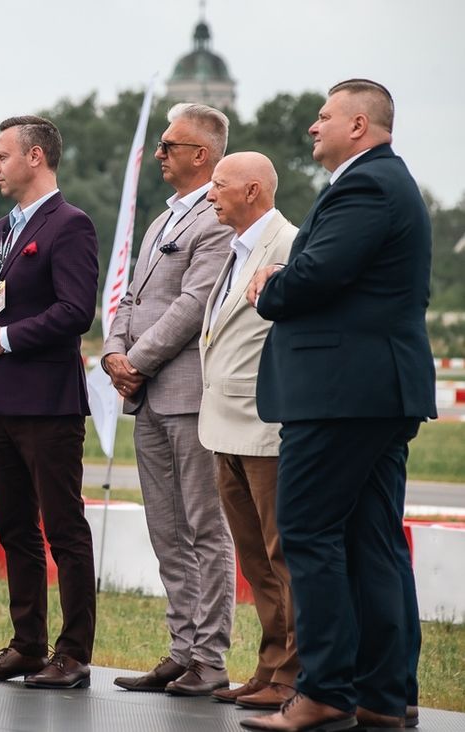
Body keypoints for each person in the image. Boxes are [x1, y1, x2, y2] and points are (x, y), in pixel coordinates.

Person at [241, 79, 435, 732]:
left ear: (359, 124)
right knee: (371, 539)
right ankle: (383, 694)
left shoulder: (365, 184)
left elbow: (319, 273)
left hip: (343, 395)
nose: (311, 127)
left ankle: (324, 690)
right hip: (372, 391)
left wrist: (271, 284)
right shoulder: (386, 182)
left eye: (323, 117)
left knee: (308, 531)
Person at [0, 116, 99, 689]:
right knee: (14, 527)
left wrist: (6, 338)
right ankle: (27, 643)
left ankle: (73, 653)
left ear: (35, 157)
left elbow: (76, 311)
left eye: (0, 156)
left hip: (47, 401)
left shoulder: (71, 225)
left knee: (64, 530)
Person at [101, 102, 234, 696]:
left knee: (205, 528)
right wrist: (111, 352)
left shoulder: (218, 216)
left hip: (185, 393)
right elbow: (129, 296)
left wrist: (136, 360)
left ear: (201, 154)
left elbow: (193, 304)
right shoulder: (161, 222)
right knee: (166, 529)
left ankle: (210, 656)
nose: (158, 153)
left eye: (169, 145)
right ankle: (181, 648)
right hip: (146, 396)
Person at [199, 152, 298, 710]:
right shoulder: (235, 250)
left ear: (253, 190)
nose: (210, 194)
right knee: (254, 559)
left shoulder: (287, 244)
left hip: (264, 427)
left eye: (219, 184)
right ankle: (269, 664)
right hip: (225, 427)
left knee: (281, 554)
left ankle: (293, 671)